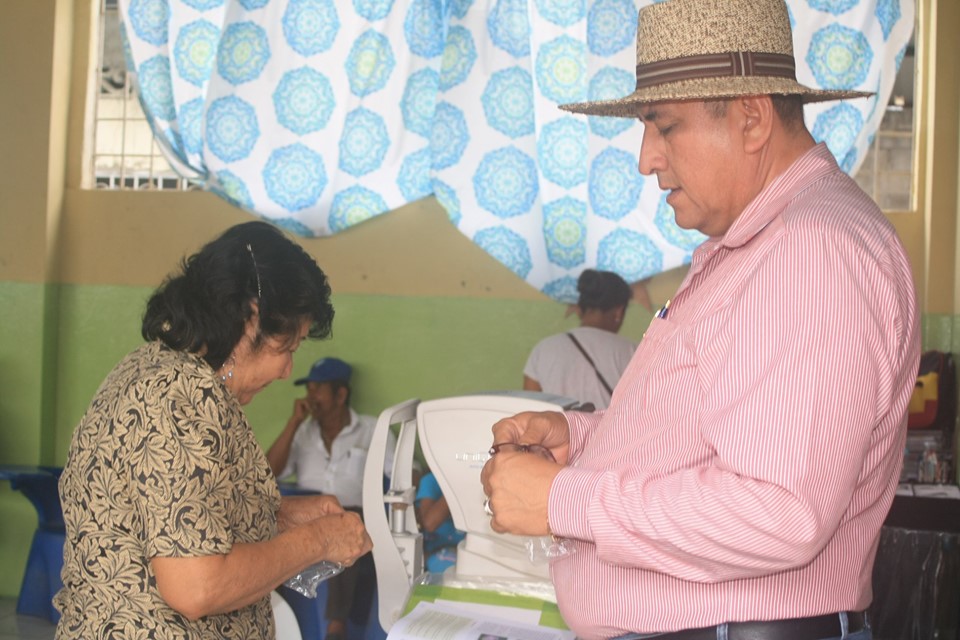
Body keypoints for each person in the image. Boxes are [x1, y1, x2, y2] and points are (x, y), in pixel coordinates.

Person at [480, 1, 921, 639]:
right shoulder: (761, 243)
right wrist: (584, 441)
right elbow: (712, 430)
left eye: (664, 127)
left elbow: (778, 511)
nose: (646, 159)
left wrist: (564, 500)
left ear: (751, 118)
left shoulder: (811, 252)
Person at [54, 221, 372, 640]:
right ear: (250, 319)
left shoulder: (159, 369)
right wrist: (319, 540)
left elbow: (175, 519)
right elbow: (197, 586)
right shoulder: (178, 395)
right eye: (287, 348)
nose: (286, 371)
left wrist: (280, 516)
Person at [266, 356, 395, 640]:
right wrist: (293, 423)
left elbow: (402, 473)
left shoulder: (371, 430)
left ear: (340, 394)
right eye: (309, 389)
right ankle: (266, 616)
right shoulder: (302, 432)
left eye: (318, 389)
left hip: (350, 514)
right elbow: (266, 473)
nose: (310, 397)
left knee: (342, 526)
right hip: (303, 517)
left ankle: (336, 627)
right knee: (265, 527)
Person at [523, 269, 636, 410]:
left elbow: (529, 408)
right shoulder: (634, 352)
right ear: (619, 312)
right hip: (610, 425)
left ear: (580, 308)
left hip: (558, 424)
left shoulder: (543, 348)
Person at [415, 471, 466, 573]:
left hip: (469, 550)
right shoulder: (432, 480)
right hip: (436, 553)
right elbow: (430, 523)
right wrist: (458, 485)